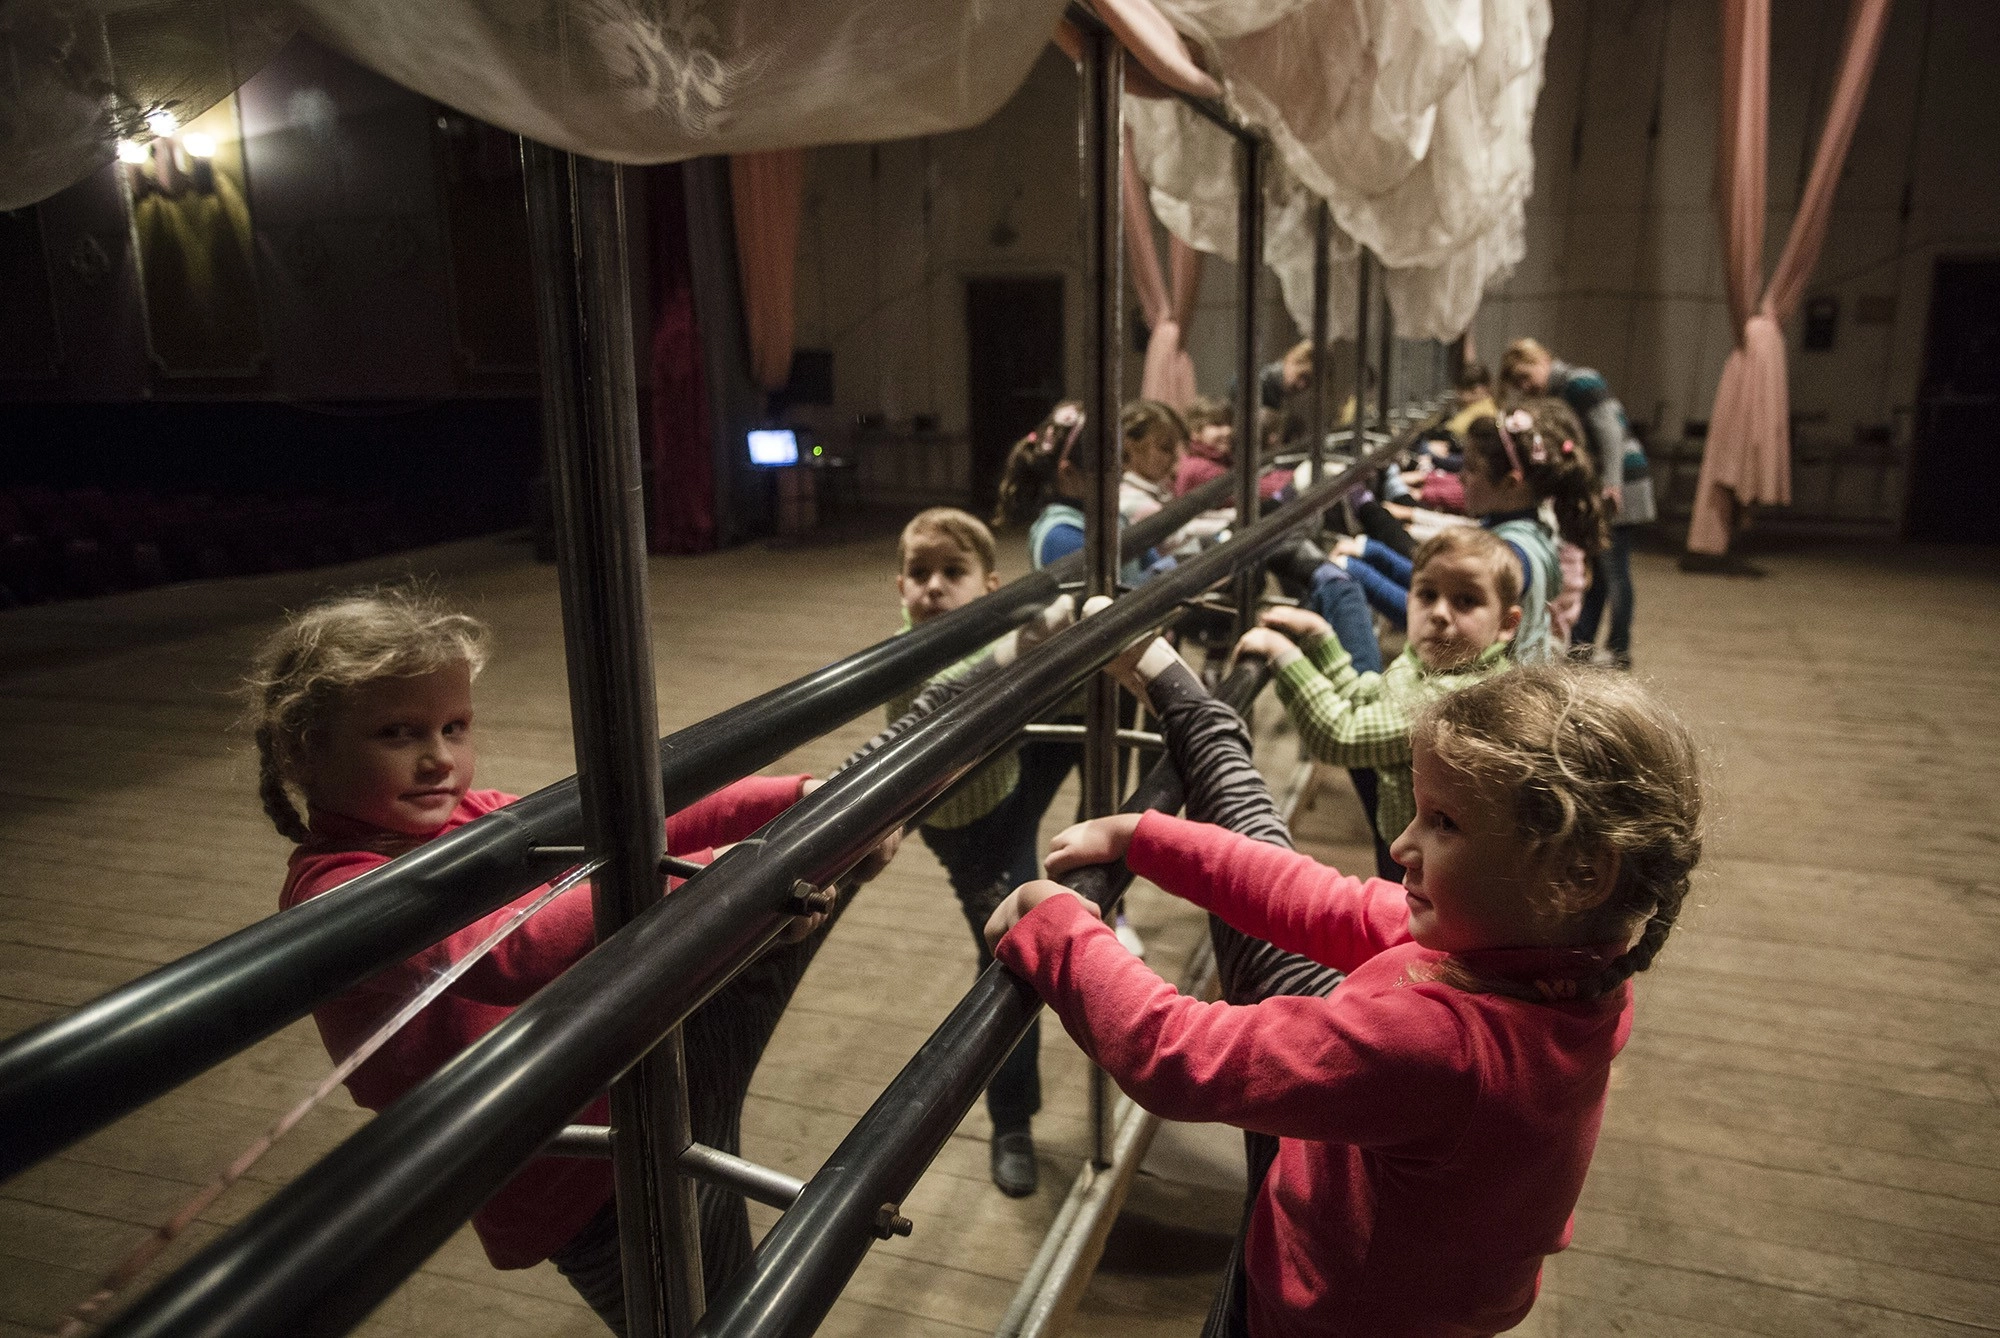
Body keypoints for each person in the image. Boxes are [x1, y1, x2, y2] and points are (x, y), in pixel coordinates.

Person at [985, 640, 1706, 1338]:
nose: (1401, 845)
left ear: (1576, 875)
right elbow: (1317, 899)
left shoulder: (1443, 1047)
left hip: (1323, 1313)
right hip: (1403, 1276)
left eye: (1445, 822)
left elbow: (1182, 1055)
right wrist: (1148, 837)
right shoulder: (1570, 960)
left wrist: (1055, 932)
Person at [250, 585, 897, 1333]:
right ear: (306, 749)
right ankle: (823, 845)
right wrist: (725, 873)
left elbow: (630, 828)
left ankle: (847, 809)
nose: (437, 758)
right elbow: (510, 954)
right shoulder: (338, 892)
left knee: (799, 875)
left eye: (454, 727)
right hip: (577, 1177)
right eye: (397, 733)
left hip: (642, 1059)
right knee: (711, 1315)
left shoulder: (475, 813)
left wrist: (787, 797)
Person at [880, 506, 1071, 1195]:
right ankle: (1011, 1119)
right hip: (974, 828)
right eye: (919, 574)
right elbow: (941, 707)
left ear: (989, 586)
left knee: (1087, 684)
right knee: (1013, 954)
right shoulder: (907, 659)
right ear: (899, 588)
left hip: (1012, 771)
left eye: (951, 574)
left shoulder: (995, 629)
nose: (932, 587)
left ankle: (1124, 825)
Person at [1238, 527, 1524, 880]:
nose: (1439, 613)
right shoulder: (1427, 661)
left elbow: (1341, 735)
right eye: (1427, 594)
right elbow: (1367, 697)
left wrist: (1283, 657)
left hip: (1444, 873)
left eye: (1465, 601)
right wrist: (1319, 639)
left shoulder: (1461, 701)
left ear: (1507, 624)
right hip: (1408, 843)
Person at [1502, 338, 1654, 668]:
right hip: (1605, 482)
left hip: (1621, 481)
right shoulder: (1560, 392)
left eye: (1526, 376)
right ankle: (1582, 645)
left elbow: (1610, 433)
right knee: (1599, 570)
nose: (1527, 386)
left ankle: (1620, 649)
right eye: (1519, 384)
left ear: (1541, 359)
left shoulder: (1579, 382)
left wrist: (1612, 484)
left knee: (1615, 572)